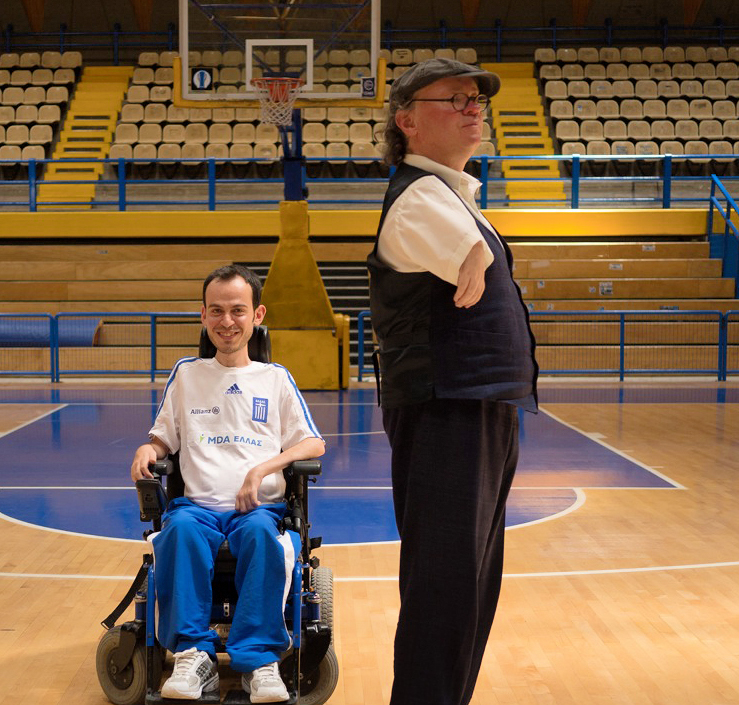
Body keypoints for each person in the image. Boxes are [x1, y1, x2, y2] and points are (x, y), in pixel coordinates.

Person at [367, 58, 539, 705]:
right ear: (407, 122)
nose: (473, 107)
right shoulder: (419, 195)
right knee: (445, 592)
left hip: (481, 405)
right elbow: (461, 249)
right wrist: (471, 253)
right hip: (446, 408)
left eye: (476, 99)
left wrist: (474, 249)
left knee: (467, 592)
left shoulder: (454, 195)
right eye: (455, 98)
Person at [130, 264, 325, 703]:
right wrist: (148, 448)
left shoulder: (275, 379)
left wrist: (261, 470)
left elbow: (313, 443)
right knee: (178, 531)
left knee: (262, 537)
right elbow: (163, 438)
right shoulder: (187, 374)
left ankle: (258, 662)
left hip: (259, 510)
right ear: (203, 316)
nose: (227, 321)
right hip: (197, 508)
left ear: (258, 315)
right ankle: (193, 656)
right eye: (216, 311)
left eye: (238, 310)